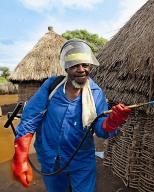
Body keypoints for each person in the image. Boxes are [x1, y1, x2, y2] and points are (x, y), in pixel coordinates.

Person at [12, 39, 131, 192]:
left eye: (85, 65)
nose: (81, 69)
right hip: (50, 159)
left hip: (81, 161)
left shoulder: (96, 93)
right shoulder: (51, 87)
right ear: (66, 68)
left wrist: (113, 121)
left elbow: (100, 129)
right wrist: (20, 156)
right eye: (75, 65)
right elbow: (30, 120)